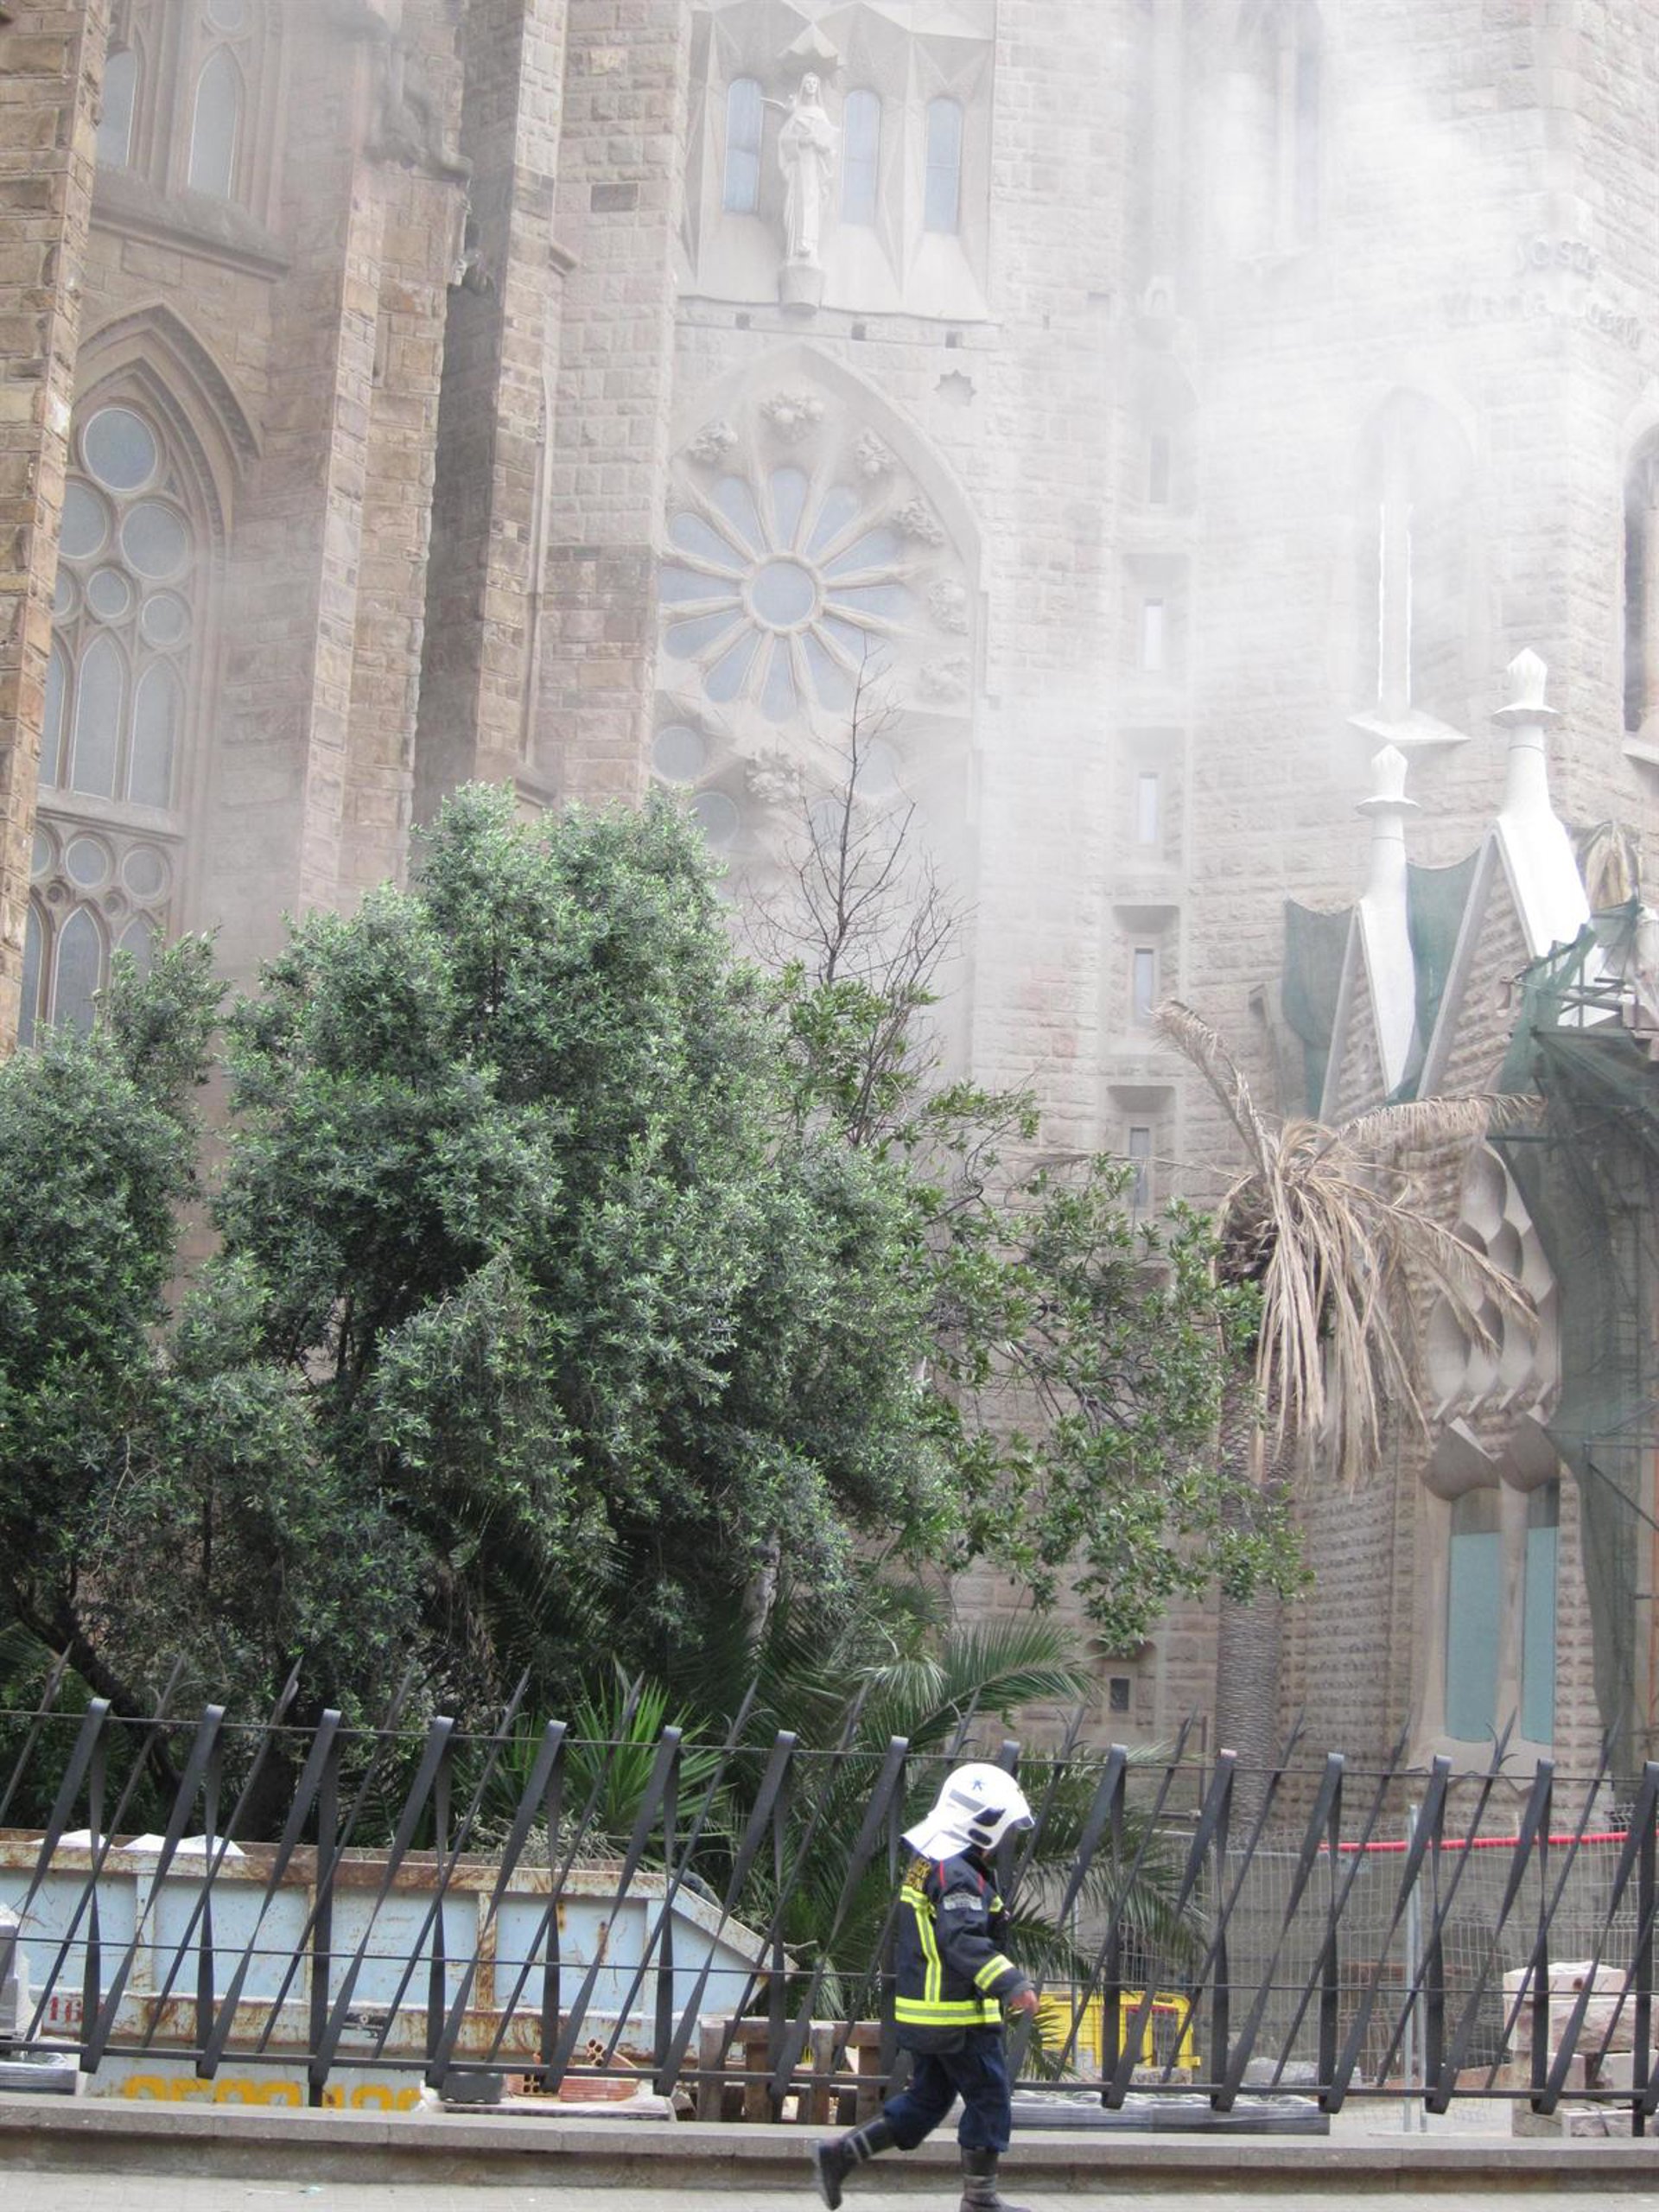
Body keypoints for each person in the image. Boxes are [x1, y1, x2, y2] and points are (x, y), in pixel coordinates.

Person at [810, 1763, 1041, 2212]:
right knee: (990, 2098)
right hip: (959, 2019)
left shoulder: (931, 1862)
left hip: (928, 2016)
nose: (1005, 1838)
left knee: (928, 2101)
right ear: (984, 1823)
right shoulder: (958, 1873)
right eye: (1004, 1826)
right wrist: (1010, 1982)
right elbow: (961, 1940)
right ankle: (980, 2200)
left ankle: (841, 2154)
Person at [778, 73, 838, 264]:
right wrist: (800, 140)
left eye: (814, 83)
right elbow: (783, 139)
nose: (811, 85)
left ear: (817, 87)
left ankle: (810, 244)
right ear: (803, 85)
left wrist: (823, 145)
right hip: (799, 164)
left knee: (812, 200)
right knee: (799, 200)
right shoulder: (797, 112)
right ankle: (798, 242)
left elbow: (829, 141)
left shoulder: (820, 114)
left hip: (814, 165)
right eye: (808, 83)